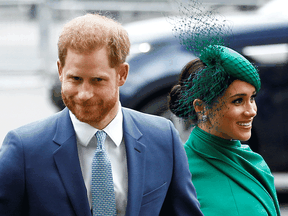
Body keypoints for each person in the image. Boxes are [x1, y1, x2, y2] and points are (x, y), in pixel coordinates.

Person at [0, 14, 203, 216]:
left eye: (97, 80)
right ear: (60, 71)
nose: (84, 94)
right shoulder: (24, 148)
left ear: (122, 74)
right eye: (75, 79)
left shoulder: (163, 137)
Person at [169, 45, 281, 216]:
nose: (251, 110)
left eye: (252, 98)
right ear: (201, 107)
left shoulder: (254, 161)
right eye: (238, 101)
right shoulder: (179, 174)